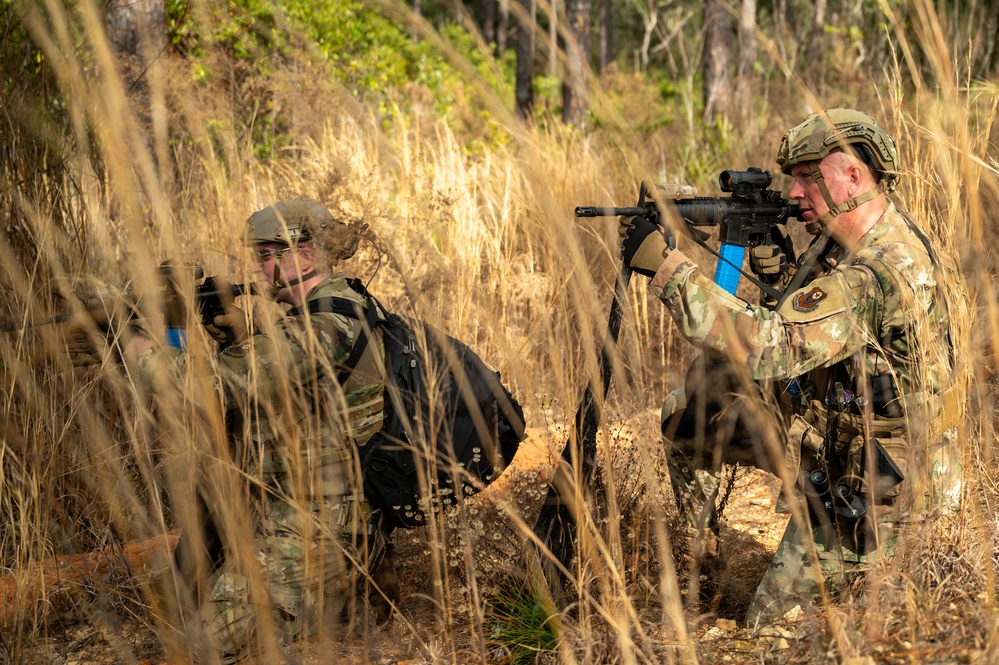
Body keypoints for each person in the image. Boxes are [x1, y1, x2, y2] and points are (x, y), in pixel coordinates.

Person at [618, 109, 961, 624]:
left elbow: (769, 346)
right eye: (793, 179)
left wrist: (669, 271)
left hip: (884, 491)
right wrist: (783, 274)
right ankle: (699, 551)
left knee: (767, 638)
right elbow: (831, 333)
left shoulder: (881, 268)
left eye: (808, 177)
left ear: (853, 176)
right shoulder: (871, 238)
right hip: (838, 436)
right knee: (691, 410)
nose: (796, 193)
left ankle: (863, 583)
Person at [126, 200, 394, 661]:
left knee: (199, 647)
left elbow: (210, 387)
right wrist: (236, 339)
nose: (260, 267)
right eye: (259, 256)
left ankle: (336, 593)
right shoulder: (340, 306)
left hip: (314, 529)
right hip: (305, 513)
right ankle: (338, 597)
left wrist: (138, 346)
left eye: (270, 255)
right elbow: (285, 402)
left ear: (306, 254)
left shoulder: (327, 324)